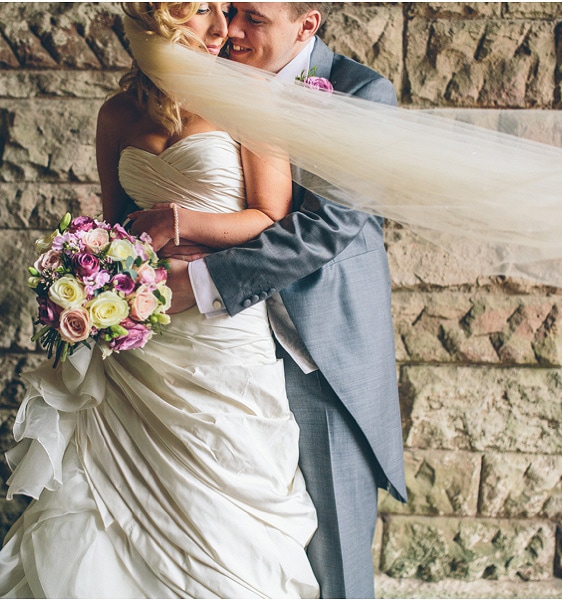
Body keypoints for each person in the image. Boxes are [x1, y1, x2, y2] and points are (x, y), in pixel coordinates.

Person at [0, 3, 320, 597]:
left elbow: (271, 217)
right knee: (98, 501)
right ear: (159, 25)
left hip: (221, 338)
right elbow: (112, 228)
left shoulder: (250, 99)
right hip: (139, 344)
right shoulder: (116, 115)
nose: (221, 30)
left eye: (226, 11)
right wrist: (91, 280)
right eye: (202, 13)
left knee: (219, 497)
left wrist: (178, 221)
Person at [132, 3, 408, 598]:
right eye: (230, 12)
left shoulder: (363, 95)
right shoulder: (205, 83)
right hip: (218, 367)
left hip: (316, 358)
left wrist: (201, 285)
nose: (230, 31)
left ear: (306, 26)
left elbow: (327, 229)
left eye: (252, 18)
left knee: (333, 562)